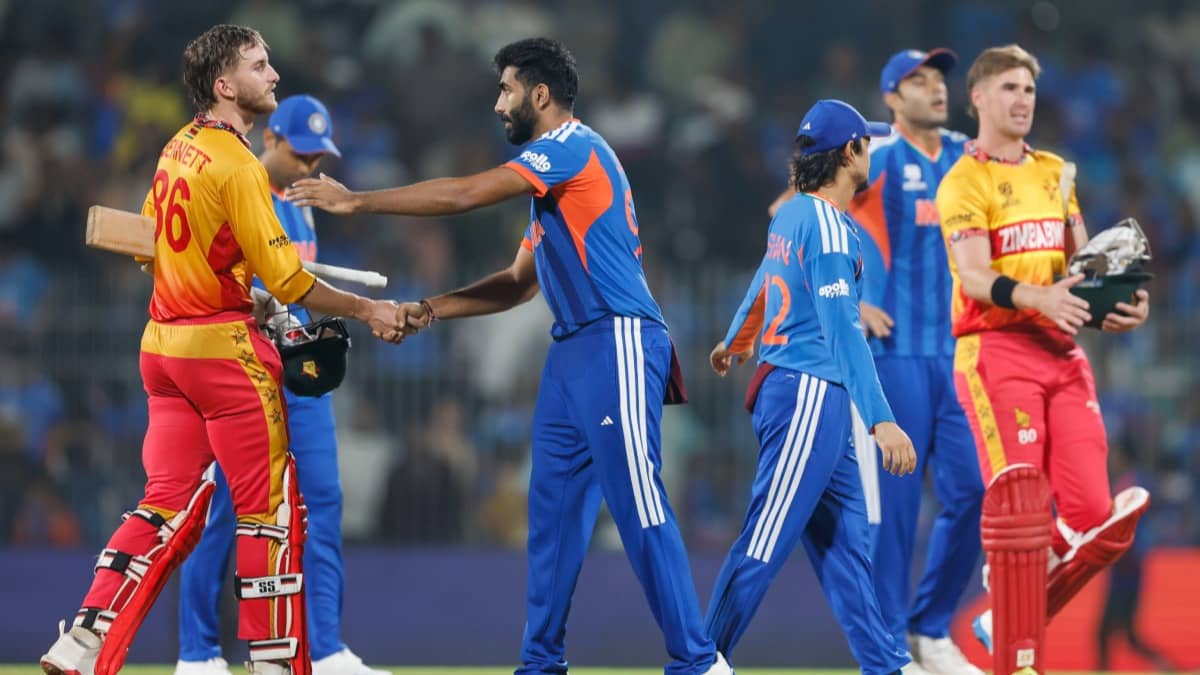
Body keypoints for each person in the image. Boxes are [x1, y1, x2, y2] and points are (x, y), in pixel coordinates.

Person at [285, 37, 731, 675]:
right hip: (573, 351)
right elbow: (519, 283)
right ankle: (540, 665)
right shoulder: (552, 186)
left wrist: (358, 200)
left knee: (638, 501)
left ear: (540, 95)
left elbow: (465, 194)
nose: (498, 104)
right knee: (551, 519)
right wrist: (431, 308)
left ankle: (700, 663)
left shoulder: (571, 146)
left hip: (619, 339)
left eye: (506, 90)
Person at [39, 25, 406, 675]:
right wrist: (367, 308)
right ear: (225, 85)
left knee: (162, 504)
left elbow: (151, 248)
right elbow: (291, 282)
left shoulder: (176, 147)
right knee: (271, 512)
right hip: (223, 357)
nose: (274, 74)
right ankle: (272, 662)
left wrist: (242, 292)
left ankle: (83, 639)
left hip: (163, 351)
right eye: (259, 65)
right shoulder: (240, 166)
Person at [933, 44, 1151, 652]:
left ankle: (1009, 605)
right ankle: (1015, 618)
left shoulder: (1056, 172)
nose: (1022, 99)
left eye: (1029, 89)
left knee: (1096, 518)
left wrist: (1120, 303)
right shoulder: (964, 181)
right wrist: (1040, 298)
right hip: (996, 350)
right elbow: (974, 276)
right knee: (1023, 511)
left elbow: (1084, 268)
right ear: (978, 97)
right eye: (1009, 88)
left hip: (1062, 353)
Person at [703, 98, 918, 675]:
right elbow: (843, 331)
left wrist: (737, 338)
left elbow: (764, 279)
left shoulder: (795, 214)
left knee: (847, 550)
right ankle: (700, 659)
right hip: (808, 392)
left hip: (809, 394)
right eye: (866, 144)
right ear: (850, 152)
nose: (870, 153)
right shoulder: (828, 227)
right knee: (767, 534)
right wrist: (882, 420)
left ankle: (887, 666)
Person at [175, 94, 388, 675]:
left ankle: (326, 649)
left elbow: (297, 283)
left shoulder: (300, 201)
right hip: (240, 367)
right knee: (222, 508)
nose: (309, 166)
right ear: (270, 139)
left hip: (297, 370)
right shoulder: (233, 186)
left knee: (323, 501)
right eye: (301, 154)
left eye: (318, 157)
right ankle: (197, 654)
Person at [842, 49, 984, 675]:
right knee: (894, 515)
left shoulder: (968, 158)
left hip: (957, 358)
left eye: (939, 79)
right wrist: (848, 299)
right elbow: (796, 213)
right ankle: (889, 651)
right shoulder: (874, 156)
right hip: (892, 356)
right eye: (917, 81)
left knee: (974, 492)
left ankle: (929, 629)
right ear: (891, 99)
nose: (935, 88)